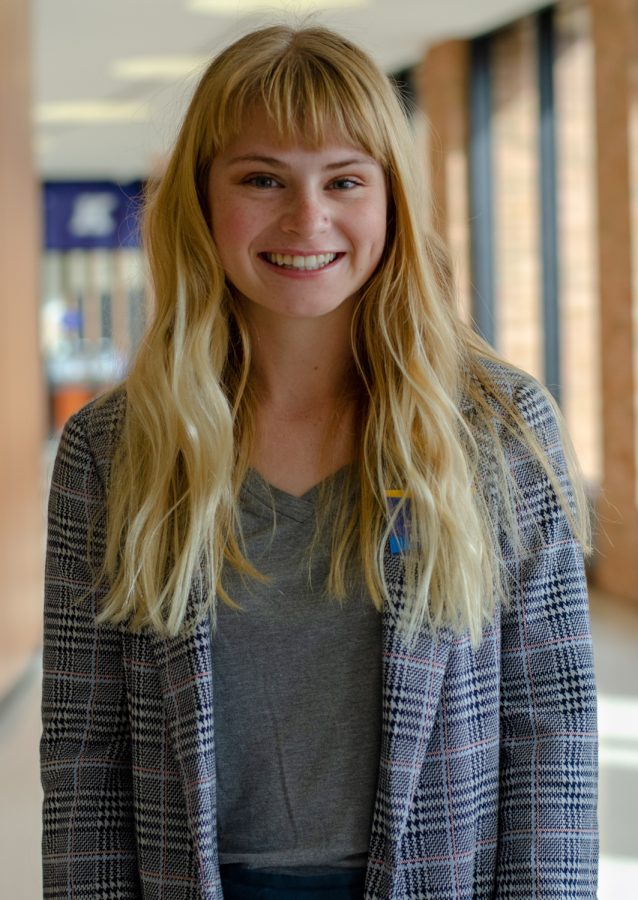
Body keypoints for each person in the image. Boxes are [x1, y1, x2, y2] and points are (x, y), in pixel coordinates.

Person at [40, 23, 598, 900]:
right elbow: (83, 748)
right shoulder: (114, 448)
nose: (308, 219)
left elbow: (551, 731)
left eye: (345, 180)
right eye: (262, 179)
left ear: (391, 202)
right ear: (202, 200)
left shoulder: (495, 426)